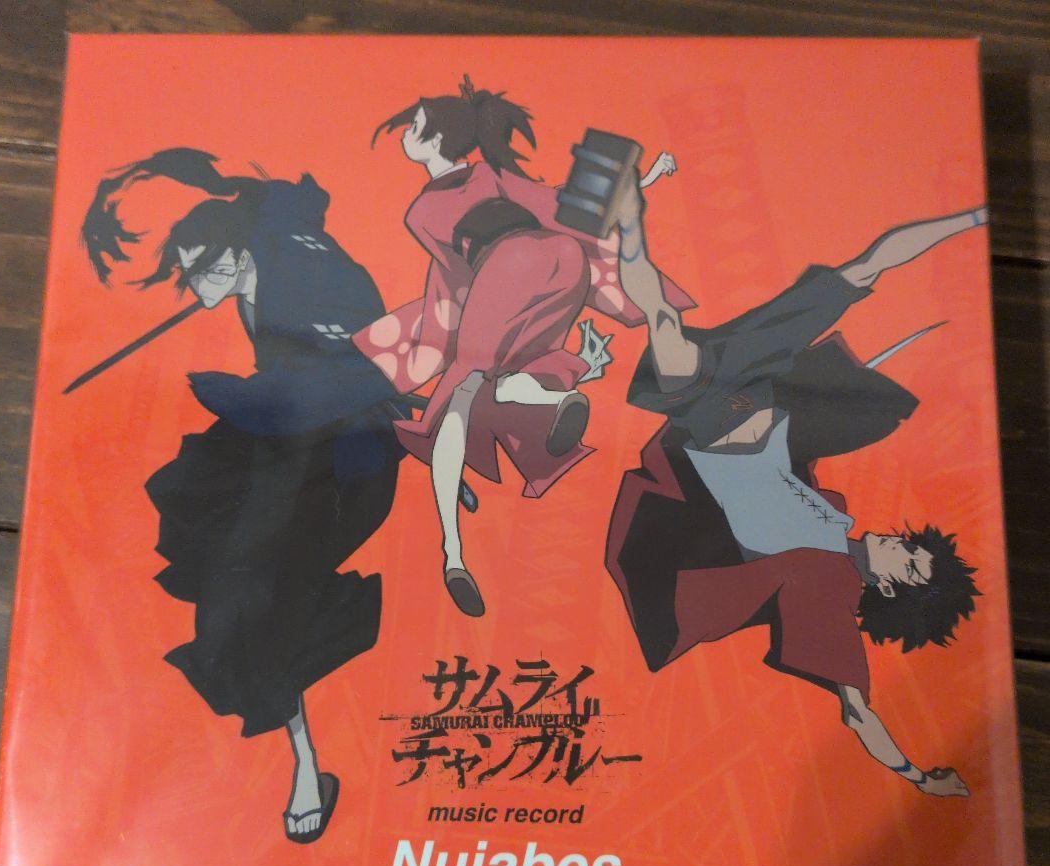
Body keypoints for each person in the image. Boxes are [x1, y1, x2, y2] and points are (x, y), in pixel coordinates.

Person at [605, 177, 983, 796]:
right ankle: (974, 215)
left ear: (890, 587)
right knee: (860, 272)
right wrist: (980, 219)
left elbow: (857, 710)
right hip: (762, 392)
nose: (903, 544)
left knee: (664, 324)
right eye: (917, 546)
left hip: (712, 417)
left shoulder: (828, 585)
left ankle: (629, 220)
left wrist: (919, 778)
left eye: (911, 562)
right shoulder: (836, 517)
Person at [82, 149, 406, 842]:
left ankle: (304, 765)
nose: (196, 288)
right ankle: (302, 754)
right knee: (231, 591)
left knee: (260, 602)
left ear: (234, 256)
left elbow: (366, 372)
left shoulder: (311, 286)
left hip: (346, 460)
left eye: (202, 270)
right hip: (277, 454)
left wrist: (243, 396)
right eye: (188, 273)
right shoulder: (260, 246)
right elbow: (286, 201)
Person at [357, 76, 692, 617]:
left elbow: (455, 279)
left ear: (437, 139)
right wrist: (641, 181)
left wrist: (429, 346)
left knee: (455, 402)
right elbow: (563, 206)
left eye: (414, 126)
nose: (404, 134)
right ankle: (542, 406)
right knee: (471, 395)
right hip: (564, 265)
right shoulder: (491, 175)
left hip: (507, 270)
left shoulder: (423, 210)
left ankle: (454, 550)